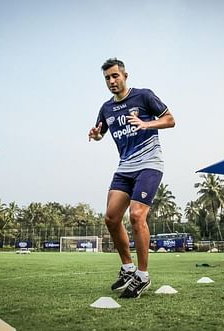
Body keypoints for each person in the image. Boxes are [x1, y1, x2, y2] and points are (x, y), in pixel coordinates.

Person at [88, 58, 175, 298]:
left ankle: (143, 276)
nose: (111, 81)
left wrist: (147, 124)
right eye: (107, 78)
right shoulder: (106, 108)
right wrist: (95, 135)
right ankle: (128, 268)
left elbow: (170, 120)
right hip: (125, 167)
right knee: (111, 218)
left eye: (115, 76)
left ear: (125, 75)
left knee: (137, 216)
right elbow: (101, 133)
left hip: (149, 164)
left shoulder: (144, 96)